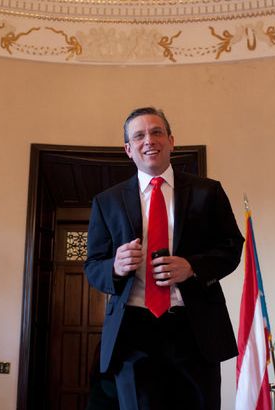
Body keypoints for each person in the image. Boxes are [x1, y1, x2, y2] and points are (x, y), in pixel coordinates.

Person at [84, 107, 244, 410]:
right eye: (139, 136)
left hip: (195, 329)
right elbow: (93, 266)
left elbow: (231, 246)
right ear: (128, 149)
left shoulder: (207, 192)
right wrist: (115, 267)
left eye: (156, 132)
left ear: (171, 141)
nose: (149, 140)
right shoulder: (106, 202)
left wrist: (193, 267)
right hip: (133, 332)